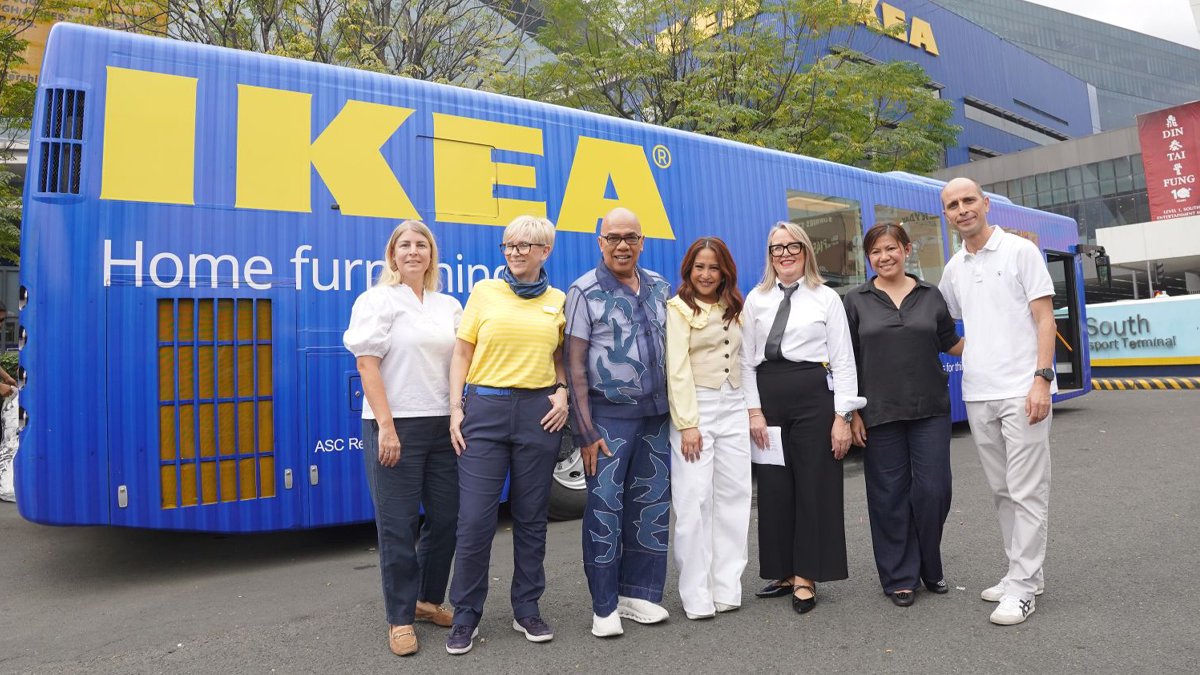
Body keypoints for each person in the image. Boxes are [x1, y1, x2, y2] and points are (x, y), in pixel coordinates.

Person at [445, 215, 569, 654]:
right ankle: (465, 615)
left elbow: (559, 356)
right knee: (475, 519)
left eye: (524, 245)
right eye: (509, 245)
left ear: (545, 251)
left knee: (532, 517)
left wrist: (562, 392)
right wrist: (455, 407)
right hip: (486, 410)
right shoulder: (484, 292)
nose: (515, 252)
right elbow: (462, 353)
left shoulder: (557, 300)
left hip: (539, 413)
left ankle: (527, 608)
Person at [938, 177, 1057, 626]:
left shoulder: (1021, 251)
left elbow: (1044, 319)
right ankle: (1022, 573)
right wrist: (974, 353)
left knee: (1027, 490)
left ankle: (1023, 589)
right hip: (978, 392)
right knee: (1003, 490)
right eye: (953, 204)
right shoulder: (954, 268)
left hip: (1022, 389)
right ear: (947, 215)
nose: (963, 209)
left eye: (969, 200)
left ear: (986, 203)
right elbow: (945, 325)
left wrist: (1042, 379)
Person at [343, 220, 461, 657]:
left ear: (431, 255)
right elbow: (367, 365)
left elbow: (462, 360)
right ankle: (399, 618)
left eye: (421, 245)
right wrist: (387, 427)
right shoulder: (377, 300)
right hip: (396, 425)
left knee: (447, 519)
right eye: (405, 245)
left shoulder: (448, 305)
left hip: (442, 425)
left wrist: (458, 412)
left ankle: (427, 601)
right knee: (398, 526)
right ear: (392, 255)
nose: (413, 251)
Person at [741, 221, 863, 615]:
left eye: (793, 246)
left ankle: (807, 575)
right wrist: (754, 412)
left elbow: (843, 360)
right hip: (769, 397)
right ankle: (783, 571)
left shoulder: (826, 298)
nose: (785, 254)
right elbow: (745, 361)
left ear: (806, 251)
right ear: (770, 255)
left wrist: (843, 416)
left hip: (813, 398)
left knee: (815, 486)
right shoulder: (755, 299)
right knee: (774, 488)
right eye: (777, 248)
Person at [565, 207, 673, 638]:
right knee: (605, 508)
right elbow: (574, 366)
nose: (622, 245)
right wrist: (584, 431)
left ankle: (639, 595)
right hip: (608, 419)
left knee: (651, 506)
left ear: (642, 242)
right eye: (613, 237)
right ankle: (604, 605)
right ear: (601, 242)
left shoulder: (660, 287)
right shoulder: (584, 291)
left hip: (657, 418)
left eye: (631, 237)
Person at [843, 223, 964, 608]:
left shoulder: (931, 295)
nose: (884, 257)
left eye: (891, 248)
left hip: (930, 409)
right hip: (878, 412)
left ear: (906, 250)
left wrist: (1005, 337)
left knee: (934, 491)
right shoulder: (855, 300)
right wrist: (851, 414)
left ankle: (928, 563)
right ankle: (899, 576)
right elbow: (847, 360)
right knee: (888, 497)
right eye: (875, 252)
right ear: (868, 258)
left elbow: (952, 343)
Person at [664, 237, 752, 620]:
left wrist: (750, 410)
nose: (706, 274)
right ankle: (696, 593)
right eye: (699, 267)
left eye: (713, 267)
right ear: (689, 269)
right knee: (694, 500)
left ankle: (726, 586)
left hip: (734, 405)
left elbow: (745, 360)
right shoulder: (678, 308)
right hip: (696, 406)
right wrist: (688, 424)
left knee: (734, 496)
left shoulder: (735, 306)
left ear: (724, 271)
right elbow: (676, 368)